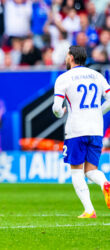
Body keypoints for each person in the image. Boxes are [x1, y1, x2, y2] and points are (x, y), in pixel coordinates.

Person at [52, 45, 110, 218]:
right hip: (96, 128)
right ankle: (105, 183)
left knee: (76, 171)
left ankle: (89, 210)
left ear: (71, 57)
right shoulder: (97, 76)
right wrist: (98, 111)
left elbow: (56, 107)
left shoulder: (64, 78)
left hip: (76, 129)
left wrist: (59, 113)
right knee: (91, 170)